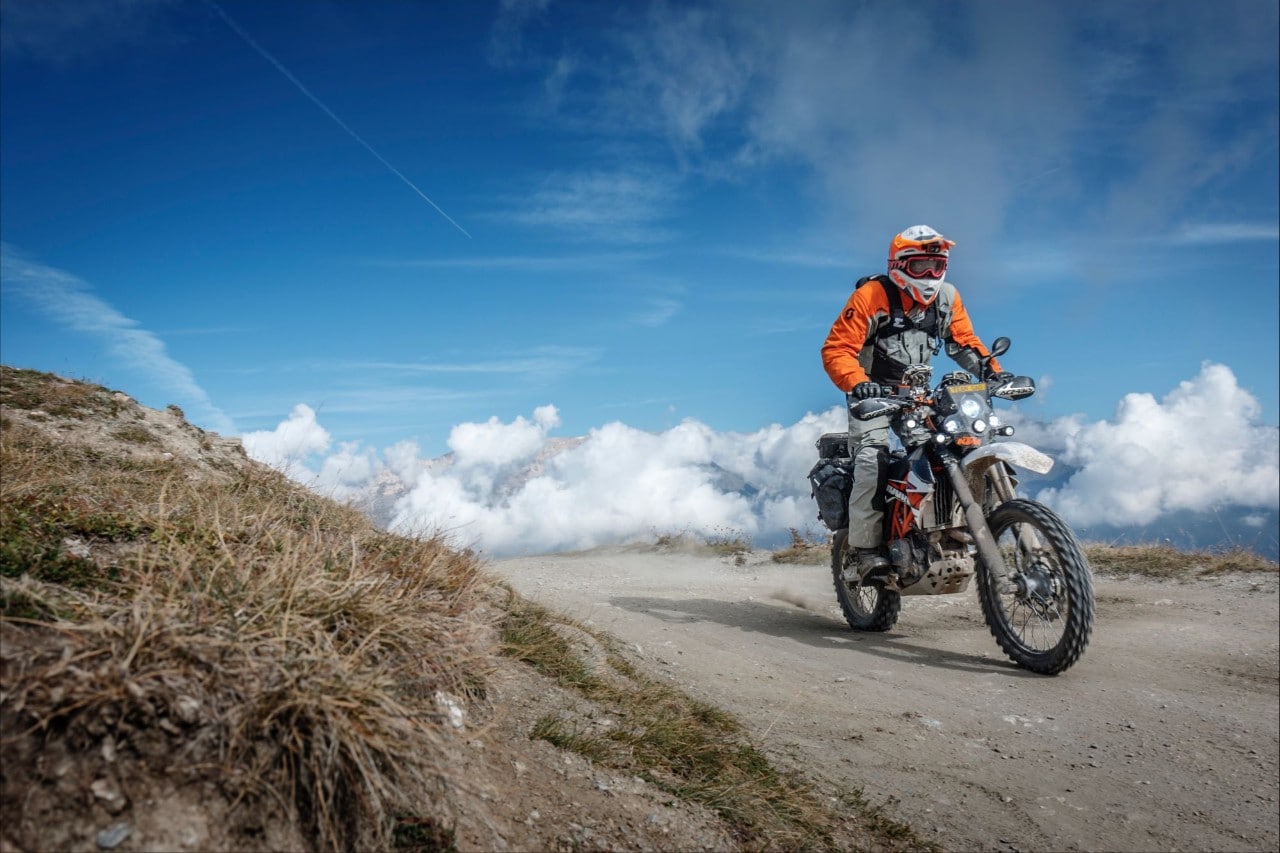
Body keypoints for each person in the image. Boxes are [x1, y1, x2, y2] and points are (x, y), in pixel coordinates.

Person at [821, 225, 1008, 577]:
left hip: (919, 395)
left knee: (954, 448)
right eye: (921, 266)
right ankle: (865, 550)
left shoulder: (947, 297)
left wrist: (994, 373)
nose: (930, 275)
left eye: (937, 266)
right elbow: (837, 350)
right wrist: (859, 384)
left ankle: (950, 529)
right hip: (873, 396)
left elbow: (963, 342)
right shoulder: (871, 296)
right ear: (899, 265)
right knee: (871, 460)